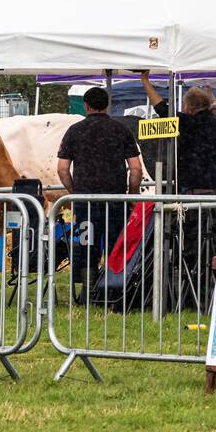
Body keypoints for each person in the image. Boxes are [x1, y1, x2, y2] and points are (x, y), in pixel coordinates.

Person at [56, 87, 143, 295]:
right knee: (116, 247)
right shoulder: (121, 130)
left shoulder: (74, 131)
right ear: (107, 105)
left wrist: (75, 191)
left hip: (86, 203)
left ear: (86, 106)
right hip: (116, 201)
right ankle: (115, 292)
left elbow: (62, 169)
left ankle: (89, 291)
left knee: (88, 247)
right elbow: (136, 168)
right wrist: (132, 195)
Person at [140, 71, 216, 193]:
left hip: (194, 190)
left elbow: (162, 109)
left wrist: (145, 80)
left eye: (183, 105)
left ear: (190, 107)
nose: (182, 108)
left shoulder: (189, 123)